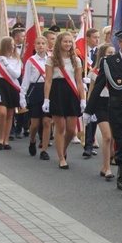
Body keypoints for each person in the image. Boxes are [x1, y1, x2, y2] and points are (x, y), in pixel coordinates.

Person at [85, 28, 122, 195]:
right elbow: (98, 87)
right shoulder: (109, 62)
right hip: (116, 109)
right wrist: (89, 111)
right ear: (120, 43)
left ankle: (121, 175)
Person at [43, 32, 85, 169]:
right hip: (57, 92)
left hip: (72, 93)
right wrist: (46, 99)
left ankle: (64, 149)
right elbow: (48, 80)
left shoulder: (76, 59)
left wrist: (83, 99)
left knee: (72, 130)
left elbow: (79, 81)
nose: (68, 44)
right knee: (60, 127)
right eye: (65, 41)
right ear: (59, 43)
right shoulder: (52, 59)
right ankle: (61, 157)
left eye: (70, 42)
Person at [87, 43, 116, 179]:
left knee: (114, 136)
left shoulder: (117, 70)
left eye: (114, 52)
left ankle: (111, 157)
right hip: (100, 104)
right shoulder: (95, 72)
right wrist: (89, 109)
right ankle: (106, 167)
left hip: (114, 104)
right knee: (107, 136)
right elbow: (92, 92)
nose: (112, 55)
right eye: (109, 53)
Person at [0, 36, 22, 150]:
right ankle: (0, 138)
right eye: (12, 44)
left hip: (11, 87)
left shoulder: (17, 60)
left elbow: (16, 75)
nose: (14, 46)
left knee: (10, 115)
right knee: (2, 113)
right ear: (6, 45)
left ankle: (6, 140)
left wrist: (7, 64)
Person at [21, 36, 51, 159]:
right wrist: (22, 95)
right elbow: (26, 79)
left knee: (47, 122)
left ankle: (44, 150)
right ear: (34, 45)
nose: (41, 45)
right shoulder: (31, 61)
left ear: (47, 45)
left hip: (48, 91)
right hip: (35, 91)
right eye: (38, 43)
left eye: (43, 43)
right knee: (35, 123)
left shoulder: (51, 59)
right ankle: (32, 140)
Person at [82, 28, 101, 158]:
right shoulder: (80, 51)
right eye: (95, 37)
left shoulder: (100, 52)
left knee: (93, 117)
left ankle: (89, 143)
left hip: (95, 85)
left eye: (98, 37)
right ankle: (86, 144)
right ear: (87, 38)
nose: (97, 40)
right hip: (83, 86)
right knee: (87, 115)